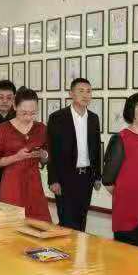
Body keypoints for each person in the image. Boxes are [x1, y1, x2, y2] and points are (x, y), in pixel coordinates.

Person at [102, 92, 138, 252]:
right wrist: (126, 195)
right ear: (132, 113)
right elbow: (107, 180)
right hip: (128, 216)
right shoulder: (121, 138)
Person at [47, 78, 102, 231]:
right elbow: (52, 150)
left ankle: (79, 247)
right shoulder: (57, 118)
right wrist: (53, 179)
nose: (85, 95)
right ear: (71, 94)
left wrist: (98, 176)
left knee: (81, 219)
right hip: (65, 178)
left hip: (86, 177)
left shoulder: (93, 118)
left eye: (89, 91)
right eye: (81, 91)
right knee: (67, 222)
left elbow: (97, 148)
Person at [0, 88, 50, 221]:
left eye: (33, 113)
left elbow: (47, 158)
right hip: (12, 184)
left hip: (34, 184)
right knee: (12, 224)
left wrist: (43, 154)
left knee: (40, 225)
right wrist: (17, 157)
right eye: (24, 113)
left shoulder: (41, 128)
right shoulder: (2, 130)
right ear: (15, 106)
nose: (28, 117)